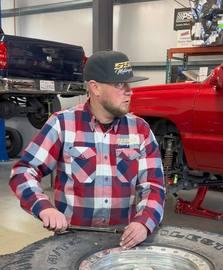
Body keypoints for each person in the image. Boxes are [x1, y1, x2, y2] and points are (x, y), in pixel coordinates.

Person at [9, 50, 165, 249]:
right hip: (70, 241)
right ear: (95, 88)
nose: (129, 91)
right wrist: (43, 207)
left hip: (122, 240)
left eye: (129, 84)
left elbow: (154, 186)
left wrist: (144, 222)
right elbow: (23, 171)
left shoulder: (140, 130)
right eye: (120, 84)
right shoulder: (62, 124)